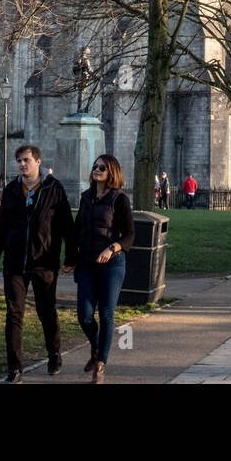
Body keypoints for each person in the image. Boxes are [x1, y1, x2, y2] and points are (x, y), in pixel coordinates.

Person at [0, 144, 77, 383]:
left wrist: (70, 258)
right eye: (18, 160)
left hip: (44, 262)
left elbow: (67, 225)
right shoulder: (12, 190)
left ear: (38, 162)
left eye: (26, 160)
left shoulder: (53, 188)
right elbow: (1, 227)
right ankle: (14, 367)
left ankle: (54, 353)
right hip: (15, 262)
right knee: (14, 314)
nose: (22, 164)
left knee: (46, 311)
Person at [73, 155, 133, 384]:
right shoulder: (86, 198)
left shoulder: (119, 199)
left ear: (112, 172)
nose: (96, 170)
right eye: (94, 167)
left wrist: (112, 248)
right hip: (87, 263)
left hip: (112, 264)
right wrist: (71, 258)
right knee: (85, 316)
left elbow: (129, 234)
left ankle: (101, 364)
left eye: (102, 168)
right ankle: (97, 347)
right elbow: (78, 229)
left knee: (106, 313)